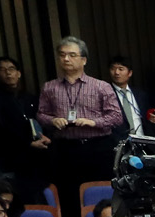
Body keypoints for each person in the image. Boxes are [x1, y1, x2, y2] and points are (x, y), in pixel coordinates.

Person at [36, 38, 122, 206]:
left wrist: (93, 122)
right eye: (62, 55)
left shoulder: (101, 86)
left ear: (84, 60)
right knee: (69, 195)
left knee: (100, 193)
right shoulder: (50, 87)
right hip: (65, 148)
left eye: (72, 55)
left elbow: (116, 117)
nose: (66, 59)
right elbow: (41, 114)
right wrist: (53, 120)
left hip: (98, 147)